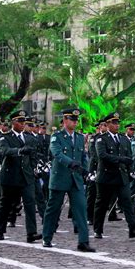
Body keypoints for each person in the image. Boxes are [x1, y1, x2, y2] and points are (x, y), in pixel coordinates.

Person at [42, 108, 95, 252]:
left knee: (81, 209)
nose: (75, 122)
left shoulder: (78, 137)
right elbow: (57, 153)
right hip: (60, 177)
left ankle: (83, 241)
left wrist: (85, 170)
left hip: (76, 179)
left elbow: (82, 155)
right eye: (72, 120)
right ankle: (46, 237)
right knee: (53, 210)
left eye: (76, 120)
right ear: (65, 120)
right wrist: (71, 163)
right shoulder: (57, 136)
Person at [93, 112, 135, 239]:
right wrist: (121, 160)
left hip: (121, 176)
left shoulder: (124, 139)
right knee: (102, 204)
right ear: (107, 124)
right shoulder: (101, 139)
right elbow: (102, 156)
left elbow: (129, 157)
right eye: (114, 123)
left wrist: (130, 170)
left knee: (127, 202)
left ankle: (133, 228)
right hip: (106, 176)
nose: (116, 125)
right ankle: (98, 229)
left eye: (117, 123)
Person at [0, 110, 42, 243]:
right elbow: (4, 151)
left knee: (30, 204)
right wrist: (19, 151)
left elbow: (33, 155)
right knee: (6, 204)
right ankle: (0, 230)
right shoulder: (5, 137)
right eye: (20, 122)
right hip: (10, 176)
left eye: (24, 122)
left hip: (26, 177)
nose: (22, 124)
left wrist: (34, 169)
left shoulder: (29, 138)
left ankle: (31, 233)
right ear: (13, 122)